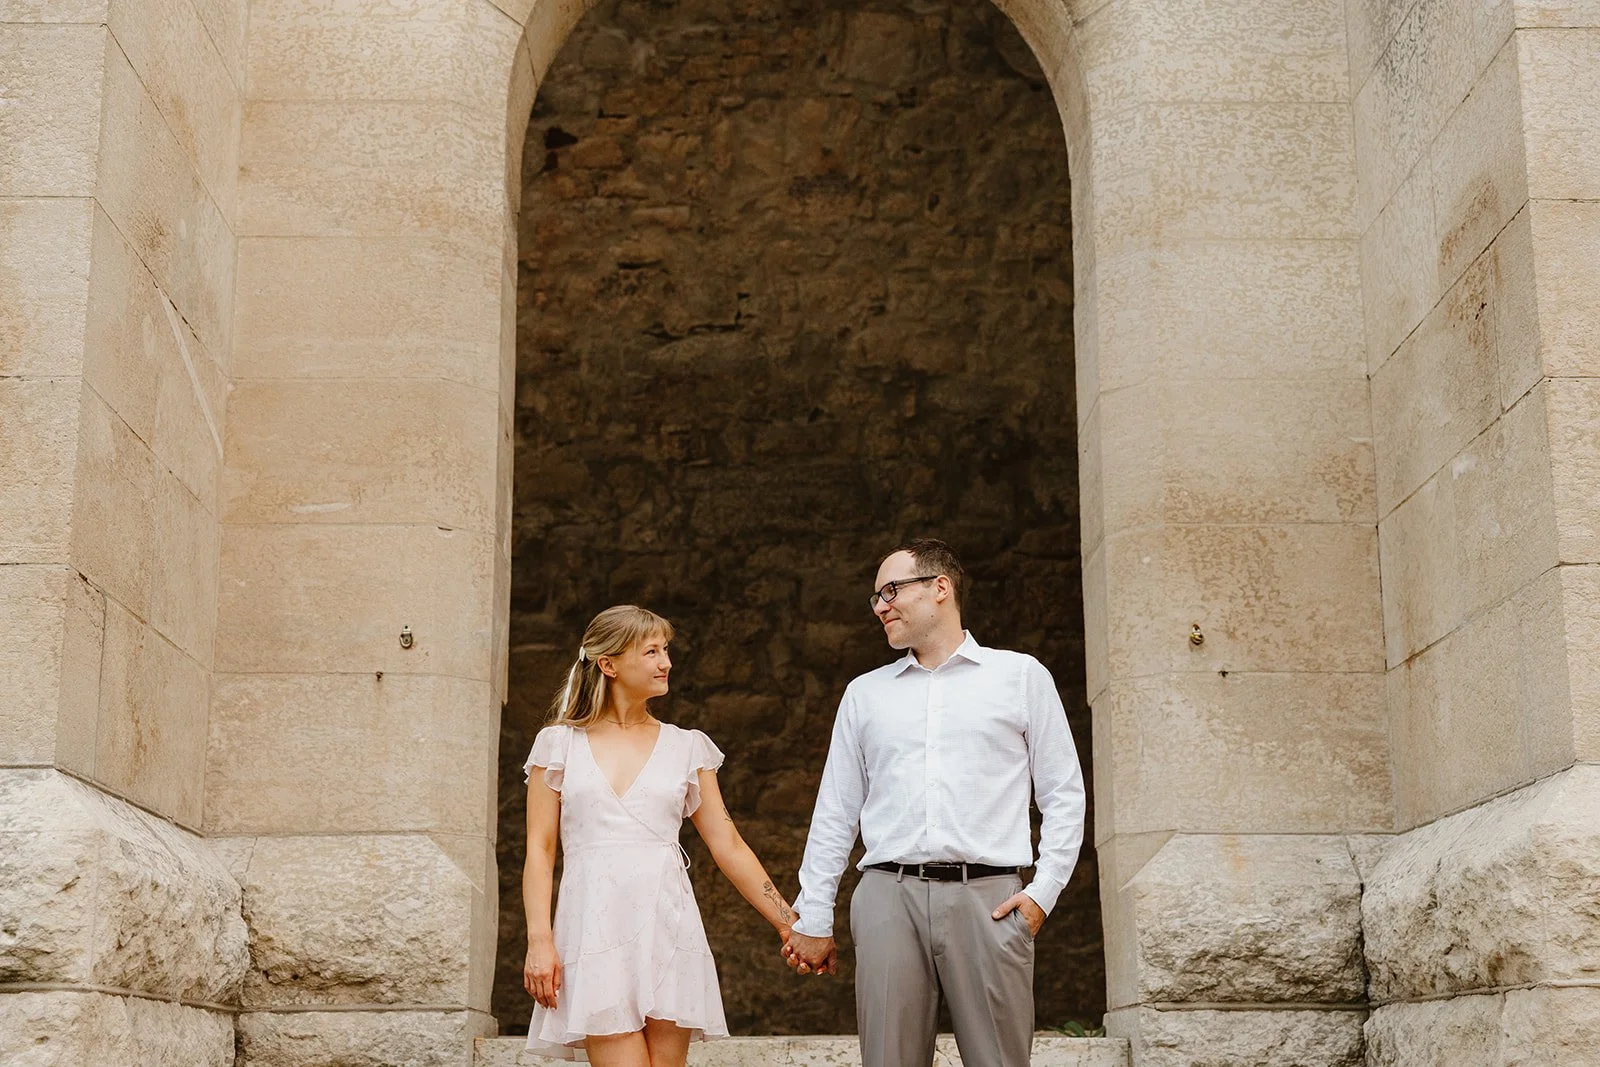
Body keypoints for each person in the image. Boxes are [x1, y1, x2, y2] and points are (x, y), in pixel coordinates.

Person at [783, 539, 1086, 1067]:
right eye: (875, 596)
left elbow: (1063, 793)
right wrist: (814, 913)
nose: (880, 605)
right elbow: (835, 810)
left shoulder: (1020, 677)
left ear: (940, 588)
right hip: (886, 897)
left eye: (892, 590)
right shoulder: (864, 694)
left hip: (990, 900)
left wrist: (1044, 893)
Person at [521, 604, 797, 1065]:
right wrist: (539, 940)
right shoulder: (558, 744)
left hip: (668, 931)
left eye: (665, 650)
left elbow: (728, 844)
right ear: (608, 664)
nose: (665, 662)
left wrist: (789, 922)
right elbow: (539, 849)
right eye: (650, 652)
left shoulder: (687, 746)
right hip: (594, 933)